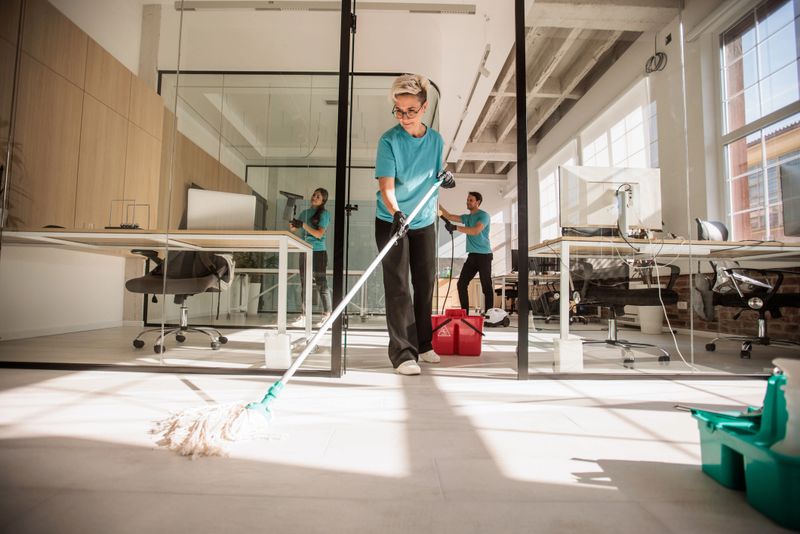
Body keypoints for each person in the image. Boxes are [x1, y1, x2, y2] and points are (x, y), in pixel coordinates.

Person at [375, 73, 454, 376]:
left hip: (423, 220)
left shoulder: (435, 140)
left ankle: (423, 344)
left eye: (410, 110)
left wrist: (445, 177)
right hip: (391, 218)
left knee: (425, 282)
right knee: (398, 286)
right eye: (399, 110)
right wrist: (396, 213)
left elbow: (435, 175)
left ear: (423, 109)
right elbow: (386, 186)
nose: (404, 117)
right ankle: (403, 354)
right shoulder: (389, 140)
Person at [440, 191, 493, 315]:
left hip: (484, 256)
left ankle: (490, 314)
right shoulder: (467, 217)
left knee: (486, 285)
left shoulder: (483, 216)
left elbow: (475, 231)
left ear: (478, 202)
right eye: (467, 200)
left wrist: (455, 228)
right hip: (472, 256)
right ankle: (465, 314)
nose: (468, 202)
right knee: (461, 284)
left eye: (471, 200)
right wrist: (437, 203)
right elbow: (448, 215)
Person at [290, 187, 331, 328]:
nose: (314, 197)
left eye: (318, 196)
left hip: (318, 252)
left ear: (323, 200)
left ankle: (327, 314)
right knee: (304, 283)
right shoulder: (304, 213)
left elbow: (318, 234)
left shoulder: (324, 214)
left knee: (321, 283)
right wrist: (292, 217)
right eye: (314, 195)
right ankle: (304, 315)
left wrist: (303, 225)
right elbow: (293, 229)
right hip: (304, 250)